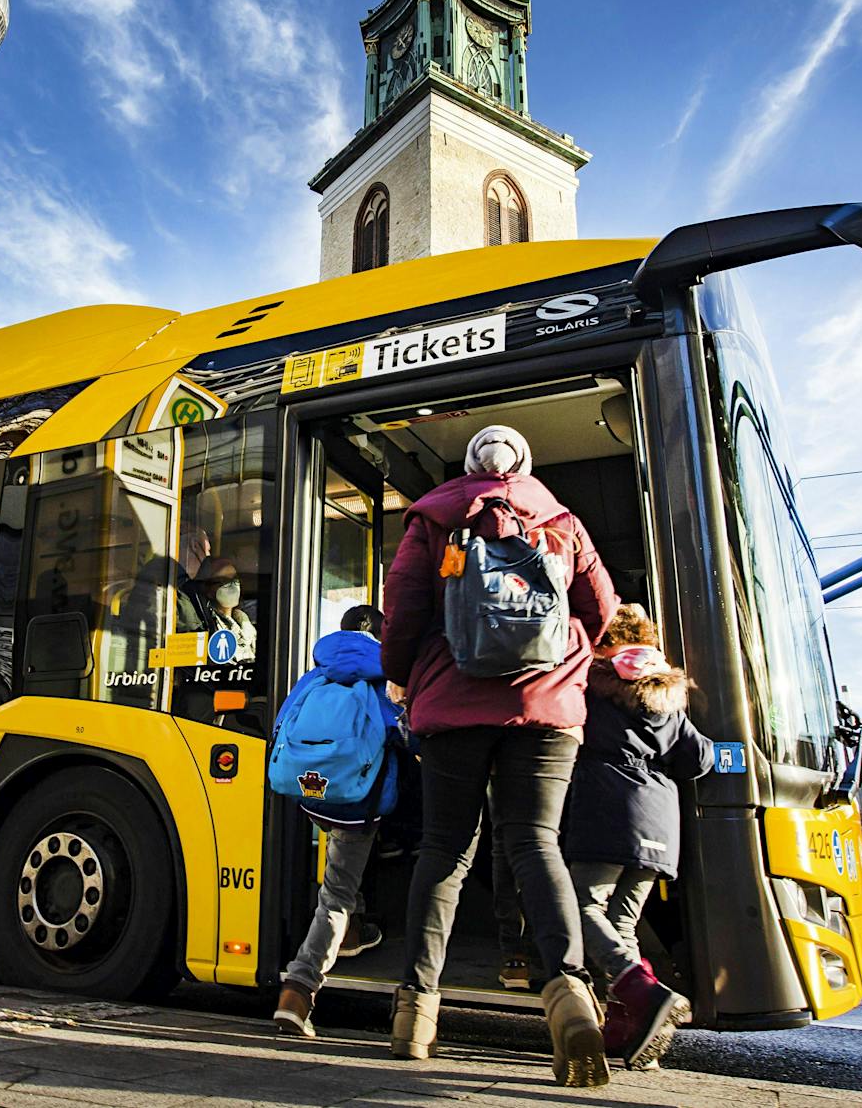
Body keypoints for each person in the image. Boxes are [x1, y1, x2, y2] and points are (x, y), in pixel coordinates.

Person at [382, 425, 616, 1085]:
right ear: (525, 466)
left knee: (444, 851)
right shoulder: (562, 521)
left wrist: (401, 675)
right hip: (546, 707)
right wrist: (563, 658)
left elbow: (403, 610)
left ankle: (416, 1014)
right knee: (536, 844)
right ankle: (570, 997)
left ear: (467, 466)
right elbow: (602, 609)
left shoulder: (433, 518)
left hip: (452, 702)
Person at [562, 603, 710, 1070]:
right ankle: (631, 1030)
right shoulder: (667, 691)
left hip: (606, 807)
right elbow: (699, 759)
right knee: (623, 922)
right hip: (661, 818)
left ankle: (640, 987)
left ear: (605, 642)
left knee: (582, 906)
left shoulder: (592, 683)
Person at [272, 605, 402, 1037]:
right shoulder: (382, 678)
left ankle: (352, 930)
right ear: (381, 636)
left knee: (341, 880)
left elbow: (281, 726)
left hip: (314, 797)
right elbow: (403, 732)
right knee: (336, 896)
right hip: (357, 804)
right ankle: (299, 988)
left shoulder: (315, 675)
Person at [198, 557, 257, 660]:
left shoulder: (245, 623)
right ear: (208, 589)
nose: (232, 585)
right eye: (224, 581)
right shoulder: (206, 626)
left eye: (235, 579)